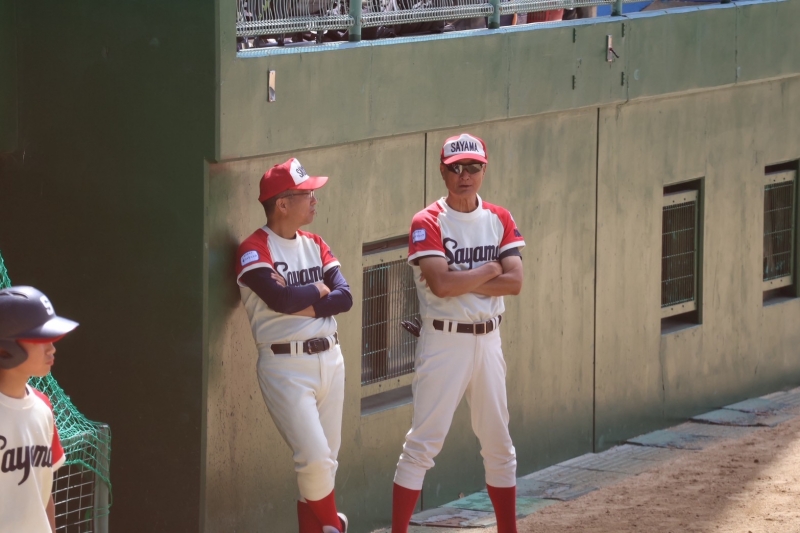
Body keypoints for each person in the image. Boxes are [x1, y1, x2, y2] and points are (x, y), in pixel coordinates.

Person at [392, 134, 525, 533]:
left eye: (473, 167)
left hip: (489, 340)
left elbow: (515, 282)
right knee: (422, 444)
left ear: (484, 169)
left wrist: (463, 277)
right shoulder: (428, 220)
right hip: (444, 340)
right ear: (442, 171)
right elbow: (441, 285)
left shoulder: (499, 217)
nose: (465, 175)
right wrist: (490, 269)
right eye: (456, 168)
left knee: (499, 444)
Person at [234, 158, 352, 533]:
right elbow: (279, 299)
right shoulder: (254, 248)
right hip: (286, 366)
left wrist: (304, 299)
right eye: (307, 193)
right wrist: (318, 289)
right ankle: (334, 525)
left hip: (331, 358)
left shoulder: (315, 243)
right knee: (315, 459)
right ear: (282, 204)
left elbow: (345, 297)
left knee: (325, 465)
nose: (315, 199)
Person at [0, 286, 75, 533]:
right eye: (41, 339)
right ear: (5, 347)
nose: (52, 348)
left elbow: (42, 493)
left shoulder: (43, 406)